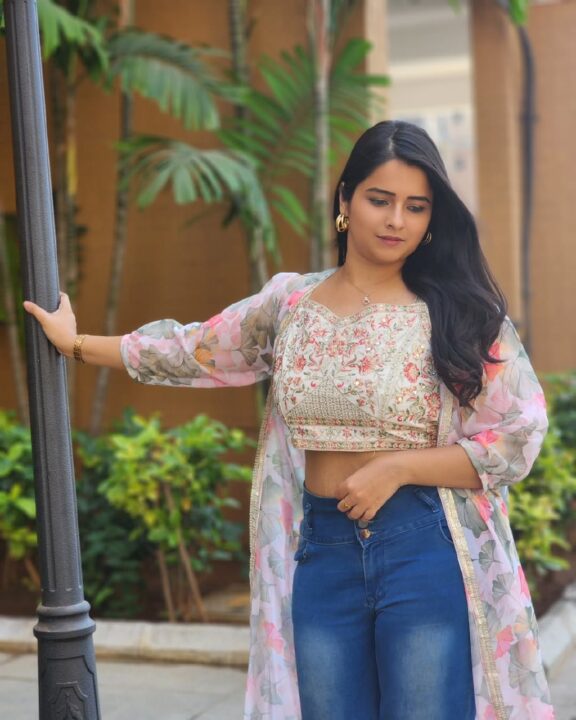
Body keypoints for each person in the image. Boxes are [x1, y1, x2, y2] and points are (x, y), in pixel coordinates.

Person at [24, 120, 554, 720]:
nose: (396, 221)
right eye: (379, 200)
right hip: (322, 551)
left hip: (423, 545)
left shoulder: (457, 313)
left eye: (416, 207)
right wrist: (76, 344)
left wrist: (400, 469)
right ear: (345, 200)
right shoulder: (291, 303)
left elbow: (519, 433)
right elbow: (196, 350)